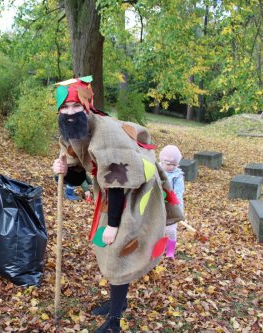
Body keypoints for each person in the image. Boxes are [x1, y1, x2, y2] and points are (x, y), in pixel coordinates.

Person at [52, 76, 183, 332]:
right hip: (112, 190)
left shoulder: (107, 134)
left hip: (135, 190)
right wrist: (65, 170)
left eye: (75, 106)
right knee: (111, 247)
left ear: (87, 105)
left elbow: (118, 182)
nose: (69, 112)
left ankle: (114, 321)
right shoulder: (71, 131)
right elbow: (79, 174)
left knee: (116, 248)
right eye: (64, 108)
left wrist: (113, 225)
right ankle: (118, 304)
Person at [159, 145, 185, 258]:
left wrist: (178, 210)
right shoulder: (156, 171)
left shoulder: (177, 176)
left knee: (170, 230)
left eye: (174, 164)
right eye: (168, 164)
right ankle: (156, 250)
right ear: (161, 161)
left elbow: (179, 193)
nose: (171, 167)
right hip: (156, 205)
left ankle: (170, 252)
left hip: (171, 206)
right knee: (156, 228)